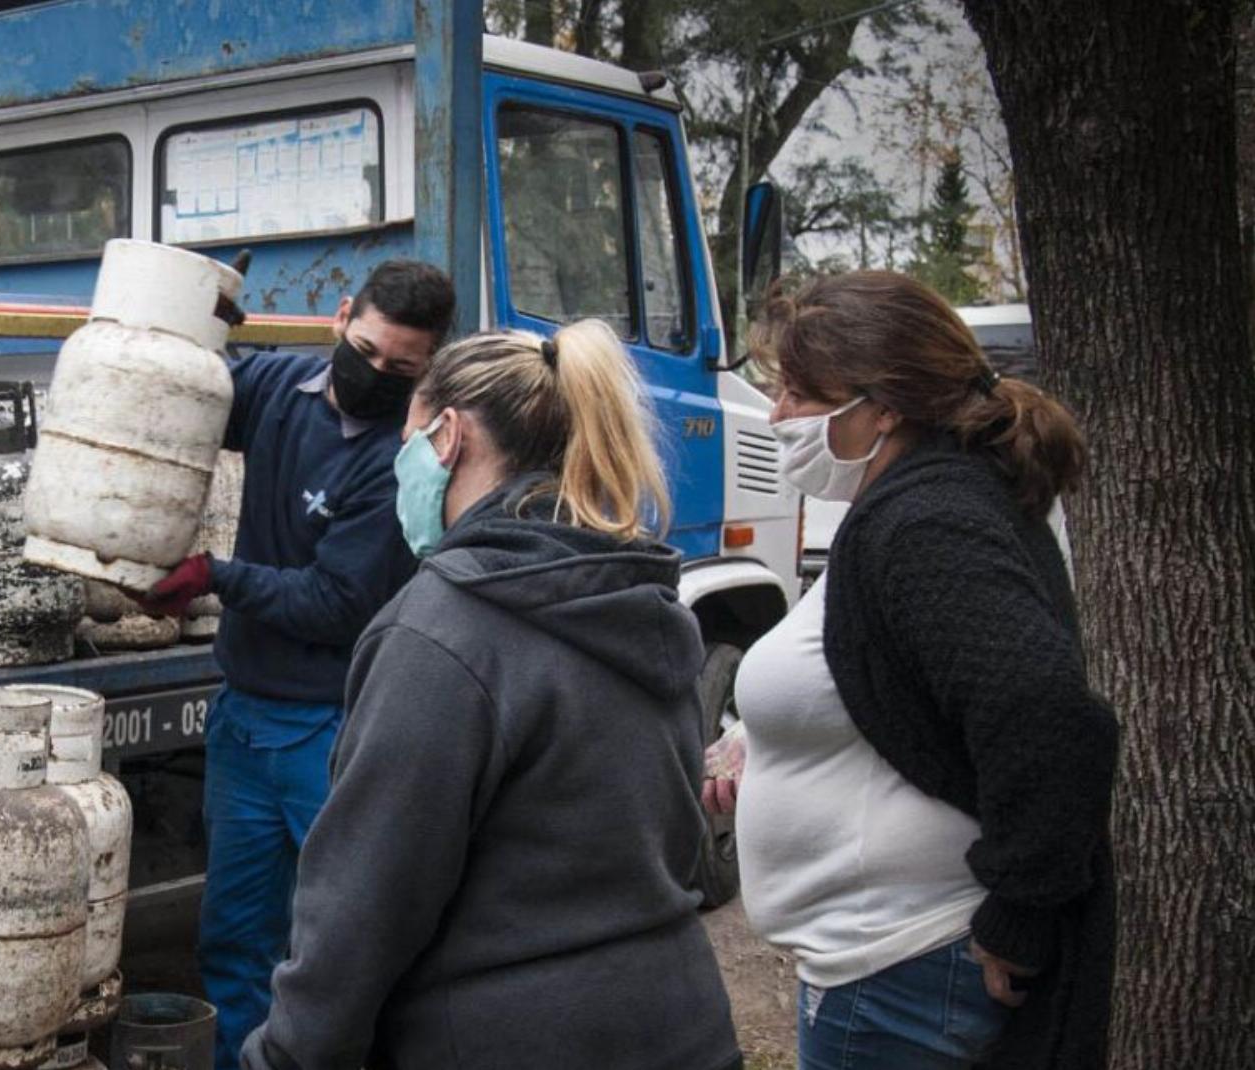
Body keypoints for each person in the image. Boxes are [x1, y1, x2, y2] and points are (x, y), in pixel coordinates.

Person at [240, 320, 743, 1070]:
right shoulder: (643, 598)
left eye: (406, 437)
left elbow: (365, 906)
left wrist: (286, 1056)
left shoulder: (442, 629)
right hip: (678, 1024)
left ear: (446, 437)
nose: (397, 463)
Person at [704, 271, 1118, 1070]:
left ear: (883, 406)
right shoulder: (917, 499)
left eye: (797, 393)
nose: (778, 416)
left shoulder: (930, 522)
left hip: (907, 969)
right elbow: (904, 684)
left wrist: (1020, 915)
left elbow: (1050, 718)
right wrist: (776, 746)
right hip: (888, 967)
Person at [137, 260, 456, 1069]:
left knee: (341, 943)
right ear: (341, 316)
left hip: (332, 727)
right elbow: (189, 396)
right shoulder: (281, 384)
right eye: (368, 348)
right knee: (234, 934)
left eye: (402, 368)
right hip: (243, 718)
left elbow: (333, 603)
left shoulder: (402, 463)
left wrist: (214, 576)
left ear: (430, 364)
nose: (376, 374)